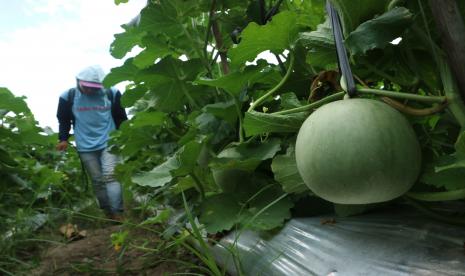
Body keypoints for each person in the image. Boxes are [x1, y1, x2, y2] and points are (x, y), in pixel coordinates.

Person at [56, 65, 128, 220]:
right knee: (97, 180)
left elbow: (121, 118)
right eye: (86, 87)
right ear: (78, 81)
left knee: (111, 176)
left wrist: (123, 137)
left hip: (109, 141)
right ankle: (107, 211)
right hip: (85, 145)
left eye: (94, 88)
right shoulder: (68, 96)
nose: (90, 91)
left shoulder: (112, 93)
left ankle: (117, 213)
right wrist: (63, 139)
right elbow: (63, 119)